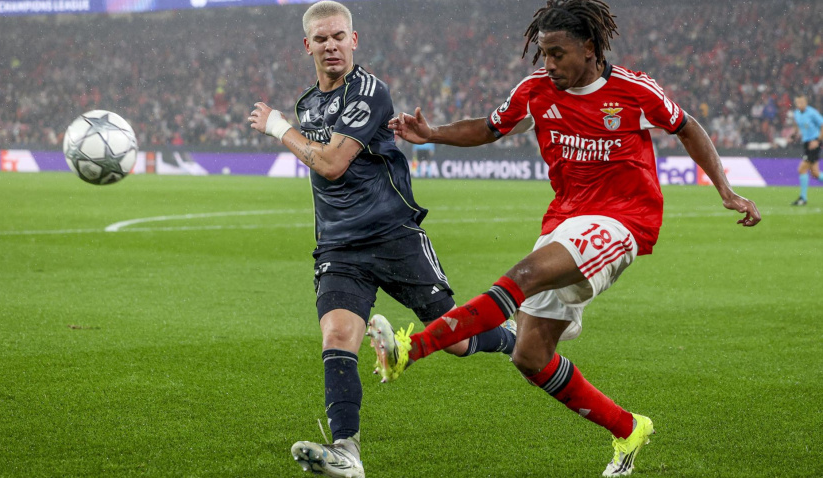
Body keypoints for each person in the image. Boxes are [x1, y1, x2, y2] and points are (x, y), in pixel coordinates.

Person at [367, 1, 761, 476]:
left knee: (524, 276)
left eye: (558, 53)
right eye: (543, 54)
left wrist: (725, 189)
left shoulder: (634, 91)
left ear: (590, 49)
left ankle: (410, 351)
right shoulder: (535, 90)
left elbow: (687, 127)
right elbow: (490, 129)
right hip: (564, 220)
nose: (548, 64)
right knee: (529, 355)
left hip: (624, 220)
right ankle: (629, 428)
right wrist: (431, 134)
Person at [246, 2, 516, 477]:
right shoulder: (307, 103)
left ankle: (517, 337)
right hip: (338, 247)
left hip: (394, 237)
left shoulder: (370, 91)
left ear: (354, 40)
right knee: (337, 335)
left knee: (452, 337)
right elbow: (320, 161)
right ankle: (347, 451)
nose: (331, 46)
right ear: (307, 45)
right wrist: (290, 127)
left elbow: (330, 163)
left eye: (339, 36)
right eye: (321, 39)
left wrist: (276, 127)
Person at [790, 94, 823, 206]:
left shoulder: (812, 113)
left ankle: (803, 198)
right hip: (806, 143)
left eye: (802, 102)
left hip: (814, 143)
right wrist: (794, 134)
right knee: (815, 174)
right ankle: (803, 198)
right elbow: (797, 124)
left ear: (806, 102)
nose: (800, 104)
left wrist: (818, 141)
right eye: (798, 103)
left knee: (802, 169)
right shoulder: (796, 113)